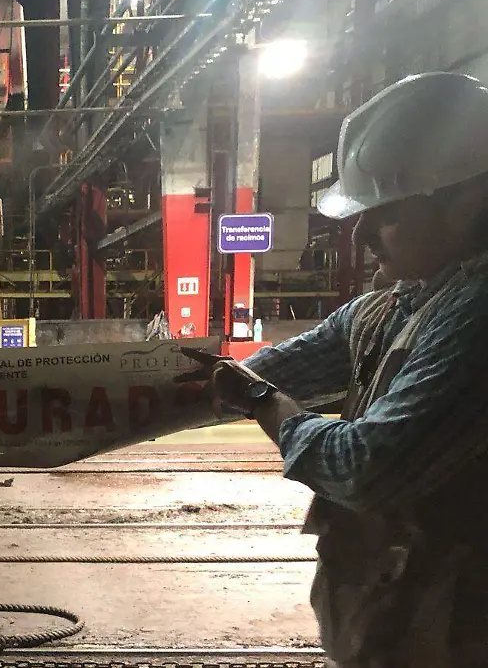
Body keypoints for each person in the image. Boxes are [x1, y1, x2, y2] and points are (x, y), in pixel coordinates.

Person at [187, 72, 488, 667]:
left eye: (387, 211)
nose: (362, 231)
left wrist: (266, 405)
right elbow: (265, 370)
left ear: (466, 200)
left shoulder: (476, 313)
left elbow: (363, 468)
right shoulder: (396, 303)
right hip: (397, 613)